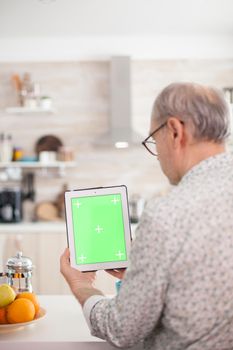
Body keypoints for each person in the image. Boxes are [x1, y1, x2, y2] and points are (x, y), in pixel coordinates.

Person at [60, 82, 233, 350]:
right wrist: (142, 276)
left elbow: (122, 329)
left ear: (175, 131)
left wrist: (81, 286)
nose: (157, 155)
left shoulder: (168, 214)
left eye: (154, 139)